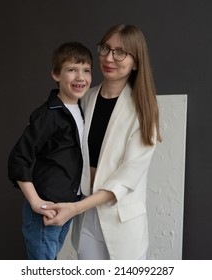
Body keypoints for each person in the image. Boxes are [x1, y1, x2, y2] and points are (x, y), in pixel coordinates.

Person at [42, 24, 162, 260]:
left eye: (120, 52)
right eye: (105, 48)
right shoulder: (84, 98)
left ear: (136, 62)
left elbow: (126, 178)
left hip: (122, 223)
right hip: (86, 217)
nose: (109, 58)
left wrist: (74, 209)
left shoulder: (144, 109)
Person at [7, 42, 93, 260]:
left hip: (69, 204)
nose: (80, 77)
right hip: (48, 206)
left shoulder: (84, 110)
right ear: (56, 74)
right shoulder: (47, 115)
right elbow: (18, 159)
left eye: (86, 71)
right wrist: (37, 202)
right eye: (72, 70)